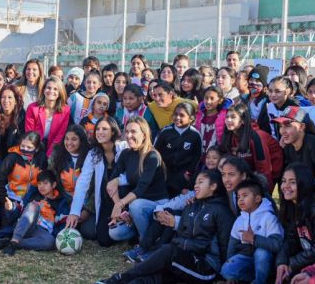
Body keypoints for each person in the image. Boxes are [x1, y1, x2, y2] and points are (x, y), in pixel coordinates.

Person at [96, 171, 235, 284]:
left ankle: (120, 278)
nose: (196, 185)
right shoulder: (192, 205)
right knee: (147, 278)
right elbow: (182, 234)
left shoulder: (221, 211)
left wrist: (223, 277)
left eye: (201, 182)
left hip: (207, 268)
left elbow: (225, 246)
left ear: (213, 186)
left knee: (169, 251)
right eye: (196, 182)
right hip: (185, 259)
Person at [66, 117, 127, 247]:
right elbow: (83, 182)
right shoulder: (94, 153)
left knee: (113, 233)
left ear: (113, 131)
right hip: (105, 200)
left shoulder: (124, 148)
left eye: (105, 129)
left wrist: (117, 181)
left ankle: (131, 229)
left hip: (125, 198)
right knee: (101, 239)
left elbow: (132, 176)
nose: (100, 132)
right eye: (98, 129)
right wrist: (74, 212)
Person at [106, 117, 169, 243]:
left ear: (144, 134)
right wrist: (121, 211)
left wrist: (119, 204)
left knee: (136, 205)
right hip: (136, 207)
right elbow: (111, 182)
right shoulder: (125, 154)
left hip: (156, 204)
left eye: (133, 131)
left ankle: (145, 243)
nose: (129, 135)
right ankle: (139, 230)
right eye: (127, 131)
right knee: (114, 233)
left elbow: (141, 188)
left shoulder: (152, 156)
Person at [220, 179, 283, 284]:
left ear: (257, 198)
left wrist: (253, 239)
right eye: (238, 197)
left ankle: (261, 280)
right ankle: (252, 278)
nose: (240, 200)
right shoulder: (239, 220)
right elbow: (232, 247)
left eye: (245, 196)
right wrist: (230, 275)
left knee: (261, 253)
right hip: (247, 258)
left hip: (267, 260)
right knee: (226, 270)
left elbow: (277, 244)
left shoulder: (269, 217)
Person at [0, 169, 70, 255]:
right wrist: (11, 208)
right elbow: (19, 210)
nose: (41, 186)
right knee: (33, 206)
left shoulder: (60, 201)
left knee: (50, 241)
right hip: (25, 226)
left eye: (45, 183)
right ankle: (15, 240)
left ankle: (13, 243)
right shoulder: (32, 194)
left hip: (41, 231)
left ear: (54, 184)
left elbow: (62, 224)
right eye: (39, 183)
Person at [275, 163, 315, 283]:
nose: (285, 186)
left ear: (304, 183)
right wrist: (282, 262)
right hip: (304, 258)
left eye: (292, 182)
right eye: (284, 181)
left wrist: (291, 264)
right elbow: (289, 238)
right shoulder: (291, 206)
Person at [220, 103, 282, 190]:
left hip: (273, 171)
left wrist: (264, 193)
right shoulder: (230, 136)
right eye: (227, 117)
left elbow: (264, 168)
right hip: (248, 173)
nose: (228, 120)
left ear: (242, 120)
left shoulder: (255, 137)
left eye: (233, 117)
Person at [0, 132, 48, 222]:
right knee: (9, 226)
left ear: (37, 149)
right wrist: (5, 199)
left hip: (31, 198)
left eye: (29, 147)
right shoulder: (12, 157)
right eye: (22, 146)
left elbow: (44, 180)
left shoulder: (41, 158)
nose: (25, 149)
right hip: (12, 197)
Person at [154, 103, 202, 197]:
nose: (177, 117)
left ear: (191, 118)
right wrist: (159, 170)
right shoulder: (165, 132)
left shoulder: (195, 135)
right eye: (175, 114)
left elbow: (197, 156)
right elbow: (155, 152)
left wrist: (188, 172)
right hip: (164, 174)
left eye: (182, 115)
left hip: (182, 177)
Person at [274, 106, 315, 183]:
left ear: (301, 126)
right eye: (280, 126)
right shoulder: (288, 147)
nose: (282, 131)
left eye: (288, 126)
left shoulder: (314, 144)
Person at [25, 76, 70, 157]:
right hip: (34, 145)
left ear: (60, 92)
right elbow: (30, 134)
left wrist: (48, 156)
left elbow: (60, 136)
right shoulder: (32, 108)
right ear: (43, 90)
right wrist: (36, 154)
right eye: (48, 88)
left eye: (55, 89)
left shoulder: (66, 110)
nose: (51, 91)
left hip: (54, 147)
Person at [48, 125, 89, 196]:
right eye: (66, 139)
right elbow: (50, 177)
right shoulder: (57, 155)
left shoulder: (90, 157)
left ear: (82, 140)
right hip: (62, 197)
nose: (69, 143)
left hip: (84, 199)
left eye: (74, 139)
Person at [261, 76, 300, 140]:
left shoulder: (296, 107)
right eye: (270, 91)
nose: (273, 94)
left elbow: (300, 132)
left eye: (278, 91)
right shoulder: (269, 106)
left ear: (287, 91)